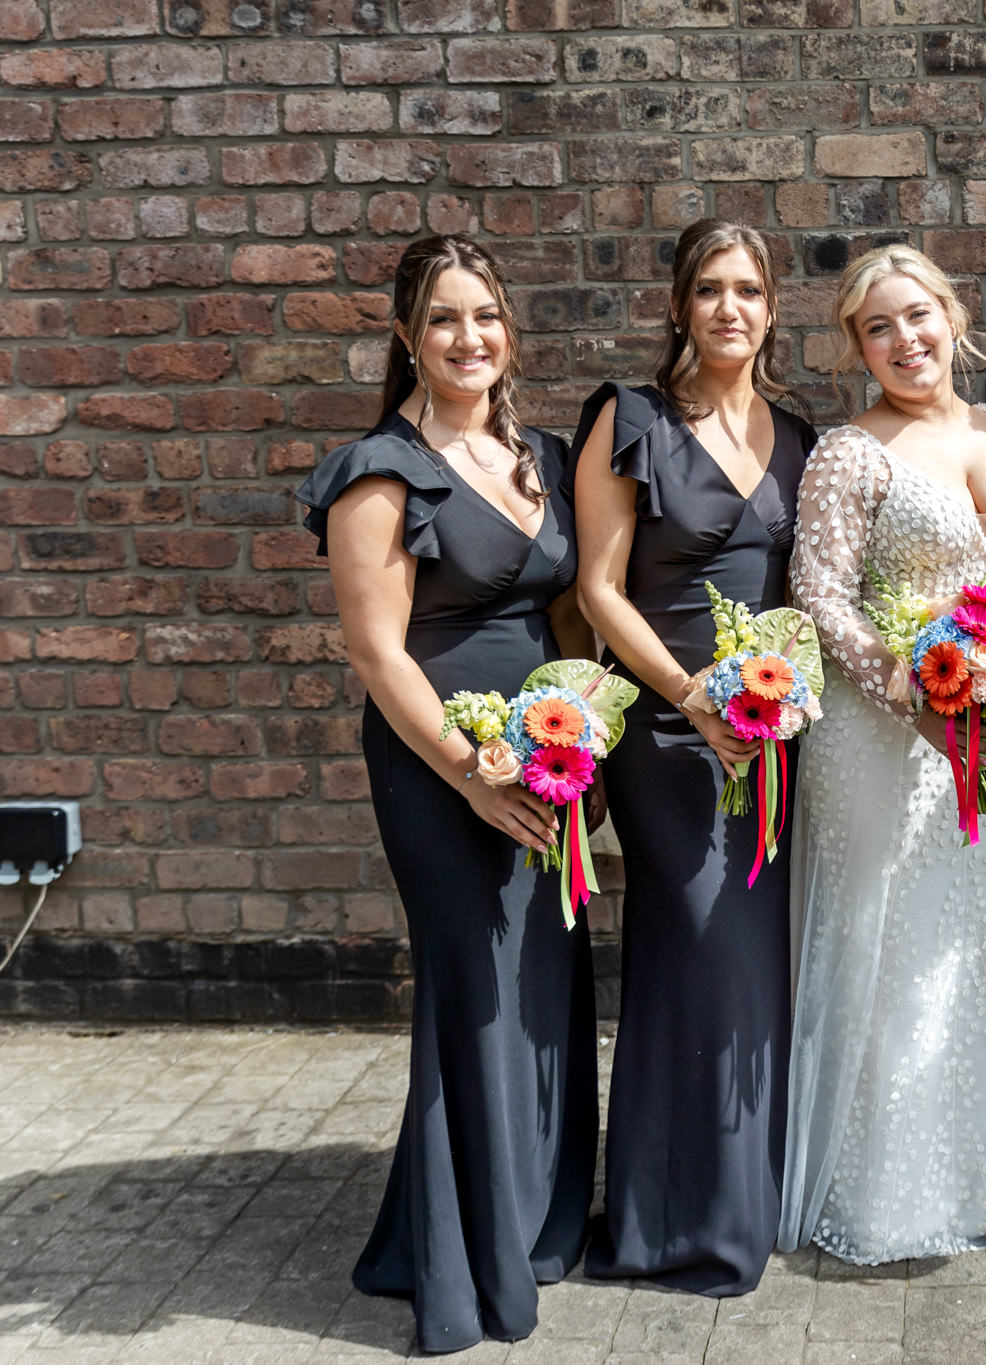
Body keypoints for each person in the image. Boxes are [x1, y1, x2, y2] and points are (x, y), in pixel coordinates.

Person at [296, 234, 596, 1352]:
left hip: (548, 754)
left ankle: (526, 1222)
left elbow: (565, 614)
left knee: (540, 979)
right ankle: (465, 1268)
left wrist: (587, 741)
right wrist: (471, 779)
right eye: (443, 320)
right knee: (472, 985)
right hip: (443, 767)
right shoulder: (379, 472)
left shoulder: (543, 455)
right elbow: (377, 654)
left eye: (486, 316)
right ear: (405, 338)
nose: (470, 339)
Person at [777, 245, 986, 1264]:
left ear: (952, 313)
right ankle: (882, 1194)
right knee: (895, 954)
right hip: (885, 736)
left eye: (917, 316)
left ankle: (974, 1178)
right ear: (857, 345)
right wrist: (909, 692)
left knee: (983, 949)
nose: (904, 342)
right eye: (877, 328)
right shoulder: (851, 453)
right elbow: (819, 596)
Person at [572, 220, 816, 1296]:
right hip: (671, 735)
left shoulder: (798, 433)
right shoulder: (628, 421)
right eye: (709, 290)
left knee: (755, 966)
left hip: (769, 733)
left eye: (749, 291)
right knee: (698, 948)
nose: (730, 309)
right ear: (678, 305)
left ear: (771, 308)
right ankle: (670, 1221)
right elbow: (598, 590)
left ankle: (739, 1199)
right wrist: (688, 699)